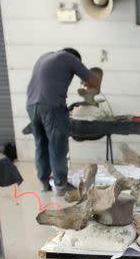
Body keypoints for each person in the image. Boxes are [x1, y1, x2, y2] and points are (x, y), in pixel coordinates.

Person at [26, 48, 100, 195]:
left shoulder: (44, 56)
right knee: (57, 144)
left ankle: (44, 183)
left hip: (31, 105)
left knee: (41, 144)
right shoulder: (69, 58)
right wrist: (91, 85)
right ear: (77, 59)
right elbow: (93, 80)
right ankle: (60, 185)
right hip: (52, 106)